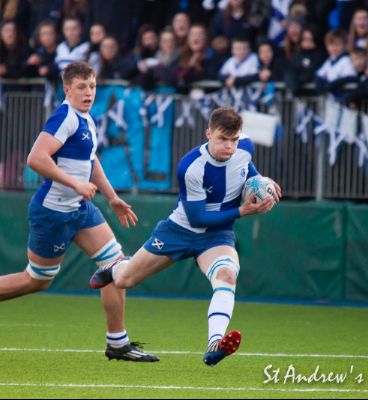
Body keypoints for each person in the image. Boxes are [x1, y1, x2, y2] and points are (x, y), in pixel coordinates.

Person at [90, 107, 282, 366]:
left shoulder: (245, 147)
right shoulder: (191, 167)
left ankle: (215, 344)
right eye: (222, 139)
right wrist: (243, 210)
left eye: (234, 140)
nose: (229, 146)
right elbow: (198, 219)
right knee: (125, 280)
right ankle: (116, 266)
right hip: (180, 231)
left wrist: (260, 181)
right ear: (208, 134)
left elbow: (246, 166)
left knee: (227, 275)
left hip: (216, 235)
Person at [0, 61, 159, 363]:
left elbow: (91, 161)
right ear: (67, 89)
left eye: (92, 86)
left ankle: (118, 343)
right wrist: (75, 183)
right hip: (54, 212)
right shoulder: (65, 117)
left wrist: (112, 197)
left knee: (115, 265)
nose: (89, 92)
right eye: (82, 87)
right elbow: (36, 158)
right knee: (37, 280)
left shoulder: (86, 118)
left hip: (80, 209)